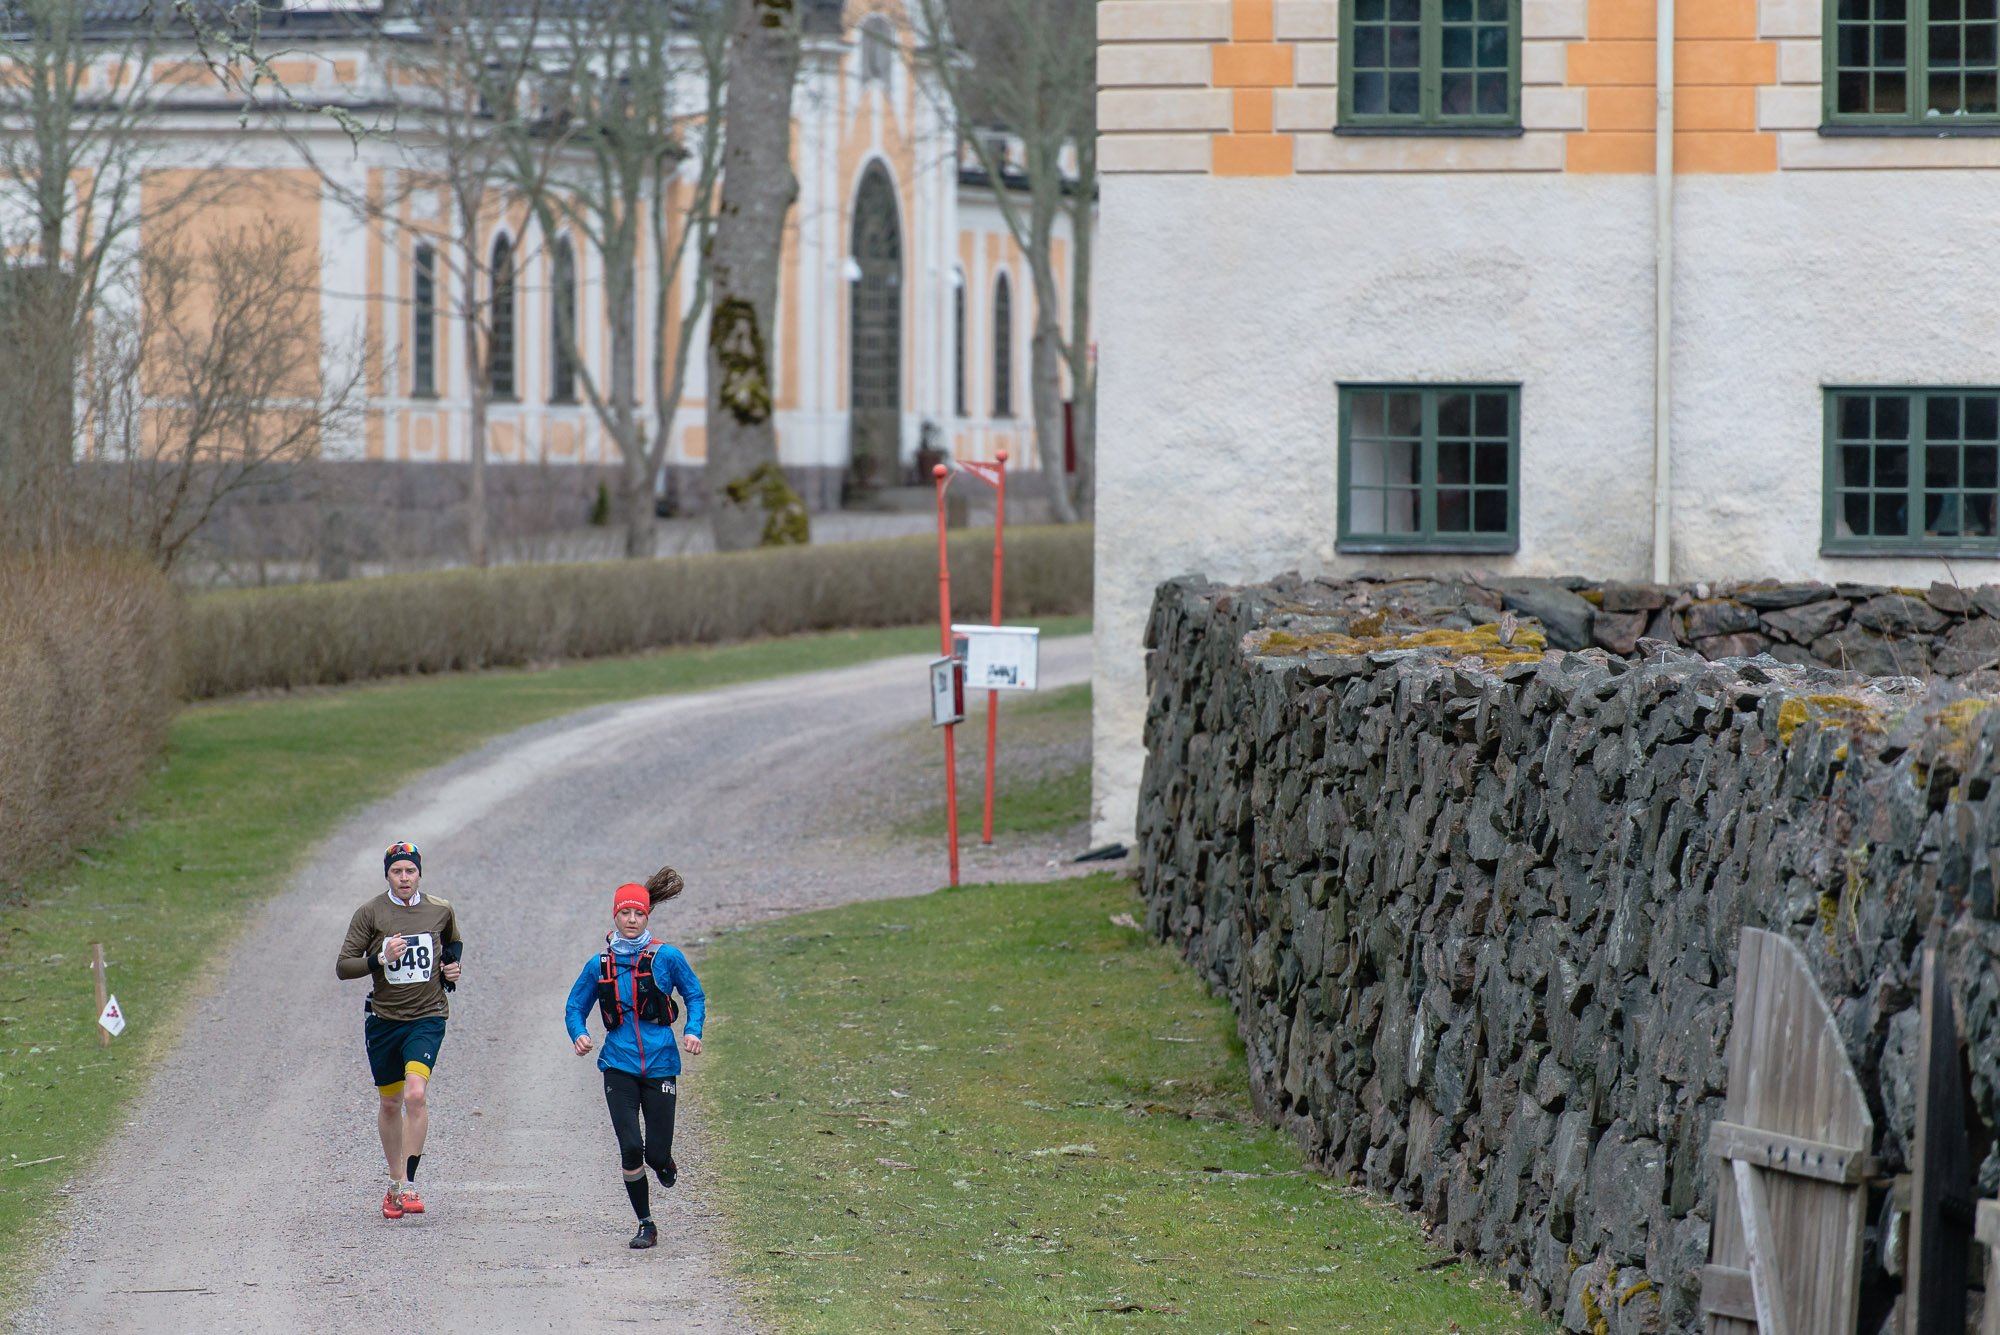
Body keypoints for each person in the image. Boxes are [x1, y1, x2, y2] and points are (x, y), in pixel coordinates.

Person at [565, 871, 705, 1250]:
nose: (631, 919)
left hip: (661, 1064)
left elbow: (695, 995)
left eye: (638, 914)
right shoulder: (600, 964)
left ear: (647, 917)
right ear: (615, 917)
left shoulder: (667, 957)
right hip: (618, 1066)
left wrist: (694, 1029)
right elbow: (575, 1006)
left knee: (656, 1153)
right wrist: (578, 1033)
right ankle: (646, 1223)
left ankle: (665, 1162)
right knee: (630, 1148)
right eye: (624, 912)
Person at [336, 841, 463, 1220]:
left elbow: (452, 942)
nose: (404, 877)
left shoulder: (439, 909)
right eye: (397, 871)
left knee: (416, 1094)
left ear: (419, 873)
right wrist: (379, 958)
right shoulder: (371, 913)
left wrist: (451, 971)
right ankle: (393, 1185)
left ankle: (409, 1185)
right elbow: (344, 966)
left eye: (410, 871)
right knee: (390, 1103)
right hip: (384, 1020)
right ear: (387, 875)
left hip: (427, 1017)